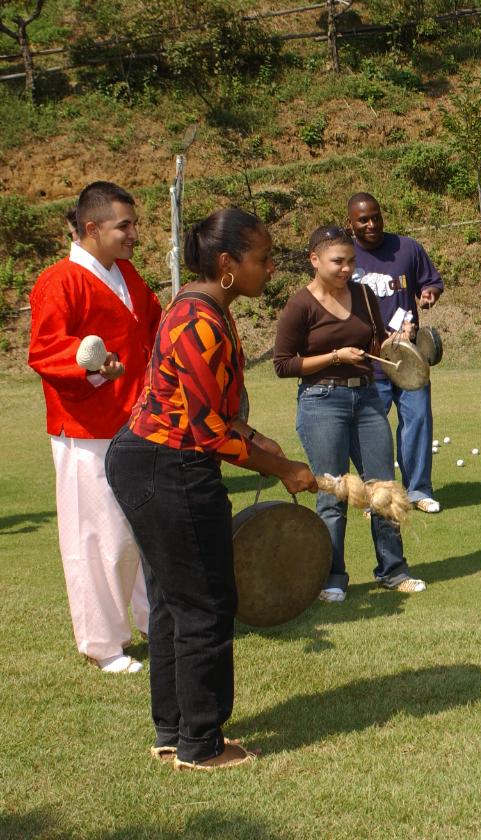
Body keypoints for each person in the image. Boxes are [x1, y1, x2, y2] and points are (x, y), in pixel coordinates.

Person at [104, 207, 318, 768]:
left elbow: (215, 412)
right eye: (262, 258)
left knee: (175, 603)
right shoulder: (199, 322)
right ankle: (201, 745)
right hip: (168, 466)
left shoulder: (199, 309)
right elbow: (206, 431)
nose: (270, 268)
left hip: (151, 459)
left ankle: (173, 730)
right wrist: (284, 470)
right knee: (205, 603)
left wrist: (258, 438)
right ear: (227, 264)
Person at [28, 181, 163, 673]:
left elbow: (153, 323)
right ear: (92, 228)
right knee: (98, 536)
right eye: (123, 226)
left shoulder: (125, 272)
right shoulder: (58, 281)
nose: (133, 235)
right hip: (85, 427)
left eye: (133, 225)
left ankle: (154, 619)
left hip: (135, 417)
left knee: (140, 528)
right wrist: (90, 365)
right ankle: (102, 644)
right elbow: (45, 350)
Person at [273, 225, 426, 602]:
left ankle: (393, 571)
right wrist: (335, 357)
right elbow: (283, 364)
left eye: (351, 261)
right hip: (322, 401)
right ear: (315, 260)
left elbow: (374, 342)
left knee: (384, 490)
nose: (346, 269)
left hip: (368, 399)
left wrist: (396, 343)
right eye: (338, 261)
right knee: (332, 493)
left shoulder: (364, 294)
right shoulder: (300, 305)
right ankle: (332, 578)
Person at [347, 193, 445, 514]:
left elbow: (429, 283)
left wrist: (428, 294)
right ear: (351, 223)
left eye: (376, 216)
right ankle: (377, 493)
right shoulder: (345, 258)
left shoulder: (407, 248)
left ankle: (418, 490)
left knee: (417, 422)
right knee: (371, 428)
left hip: (408, 359)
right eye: (364, 220)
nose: (372, 224)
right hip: (369, 361)